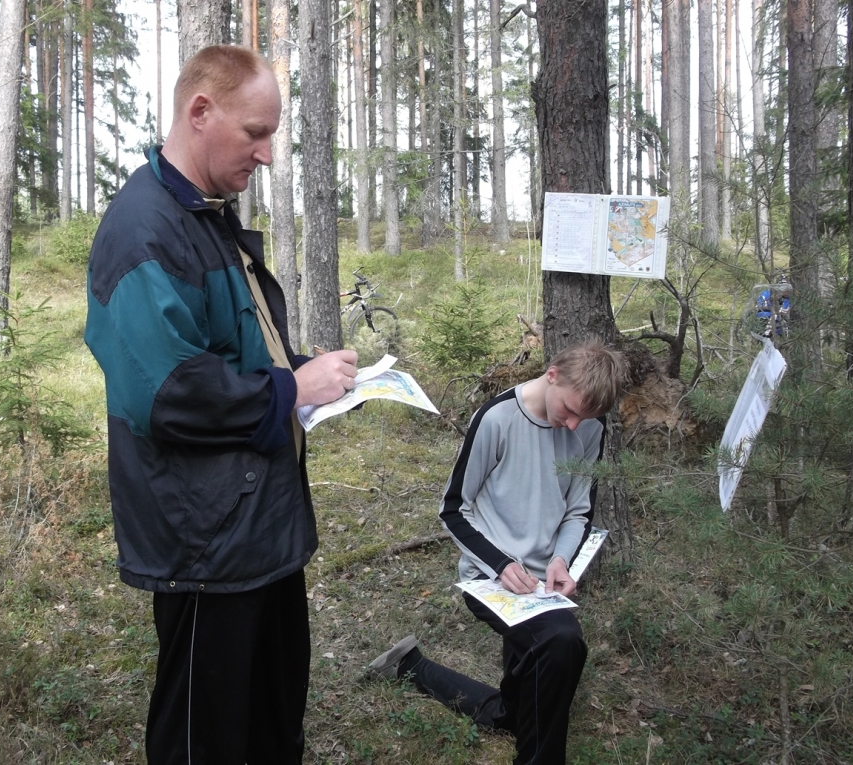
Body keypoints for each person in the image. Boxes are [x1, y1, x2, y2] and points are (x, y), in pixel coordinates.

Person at [83, 45, 358, 765]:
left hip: (258, 529)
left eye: (272, 135)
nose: (267, 155)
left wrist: (303, 373)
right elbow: (169, 393)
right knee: (206, 739)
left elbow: (230, 353)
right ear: (199, 112)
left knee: (271, 724)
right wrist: (292, 389)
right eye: (255, 133)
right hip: (205, 542)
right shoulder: (143, 227)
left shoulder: (206, 214)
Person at [368, 338, 628, 765]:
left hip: (542, 585)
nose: (574, 426)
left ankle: (408, 665)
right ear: (552, 376)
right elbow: (453, 509)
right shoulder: (498, 418)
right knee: (562, 641)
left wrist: (561, 559)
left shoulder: (589, 430)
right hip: (490, 577)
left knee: (518, 709)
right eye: (570, 410)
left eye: (587, 417)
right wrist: (501, 564)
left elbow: (578, 512)